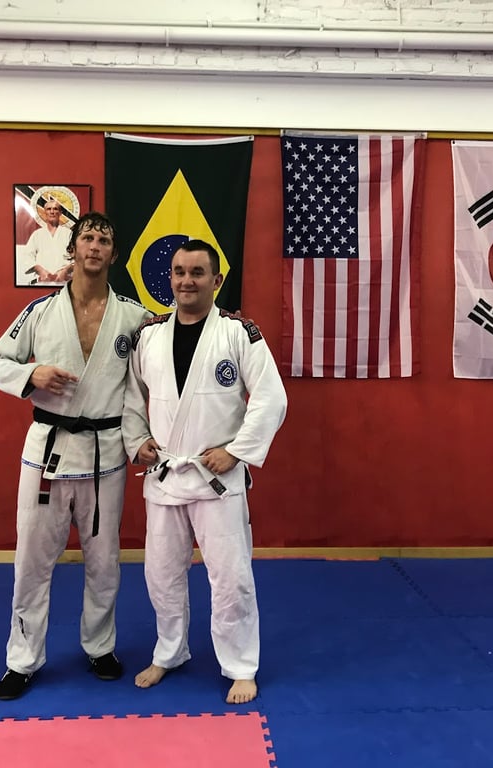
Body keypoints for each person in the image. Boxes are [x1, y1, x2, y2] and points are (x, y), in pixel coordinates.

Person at [0, 211, 151, 700]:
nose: (95, 246)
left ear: (113, 254)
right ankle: (22, 659)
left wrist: (226, 324)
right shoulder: (40, 311)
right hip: (48, 451)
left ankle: (100, 647)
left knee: (104, 561)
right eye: (88, 237)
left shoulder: (134, 316)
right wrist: (31, 374)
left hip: (106, 453)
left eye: (104, 239)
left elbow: (166, 354)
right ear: (73, 248)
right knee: (32, 560)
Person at [122, 239, 288, 705]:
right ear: (169, 278)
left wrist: (236, 451)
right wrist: (137, 441)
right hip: (166, 477)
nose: (186, 281)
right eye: (179, 272)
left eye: (197, 273)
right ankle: (169, 651)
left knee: (231, 577)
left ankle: (240, 666)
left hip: (217, 480)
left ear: (216, 280)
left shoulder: (238, 333)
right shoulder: (150, 336)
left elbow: (271, 398)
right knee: (160, 575)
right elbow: (131, 397)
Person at [19, 199, 75, 286]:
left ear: (60, 213)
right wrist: (40, 270)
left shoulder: (68, 234)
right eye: (49, 209)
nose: (52, 212)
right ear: (45, 212)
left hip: (64, 282)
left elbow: (78, 258)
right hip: (42, 282)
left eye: (55, 209)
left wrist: (66, 270)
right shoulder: (37, 234)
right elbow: (27, 256)